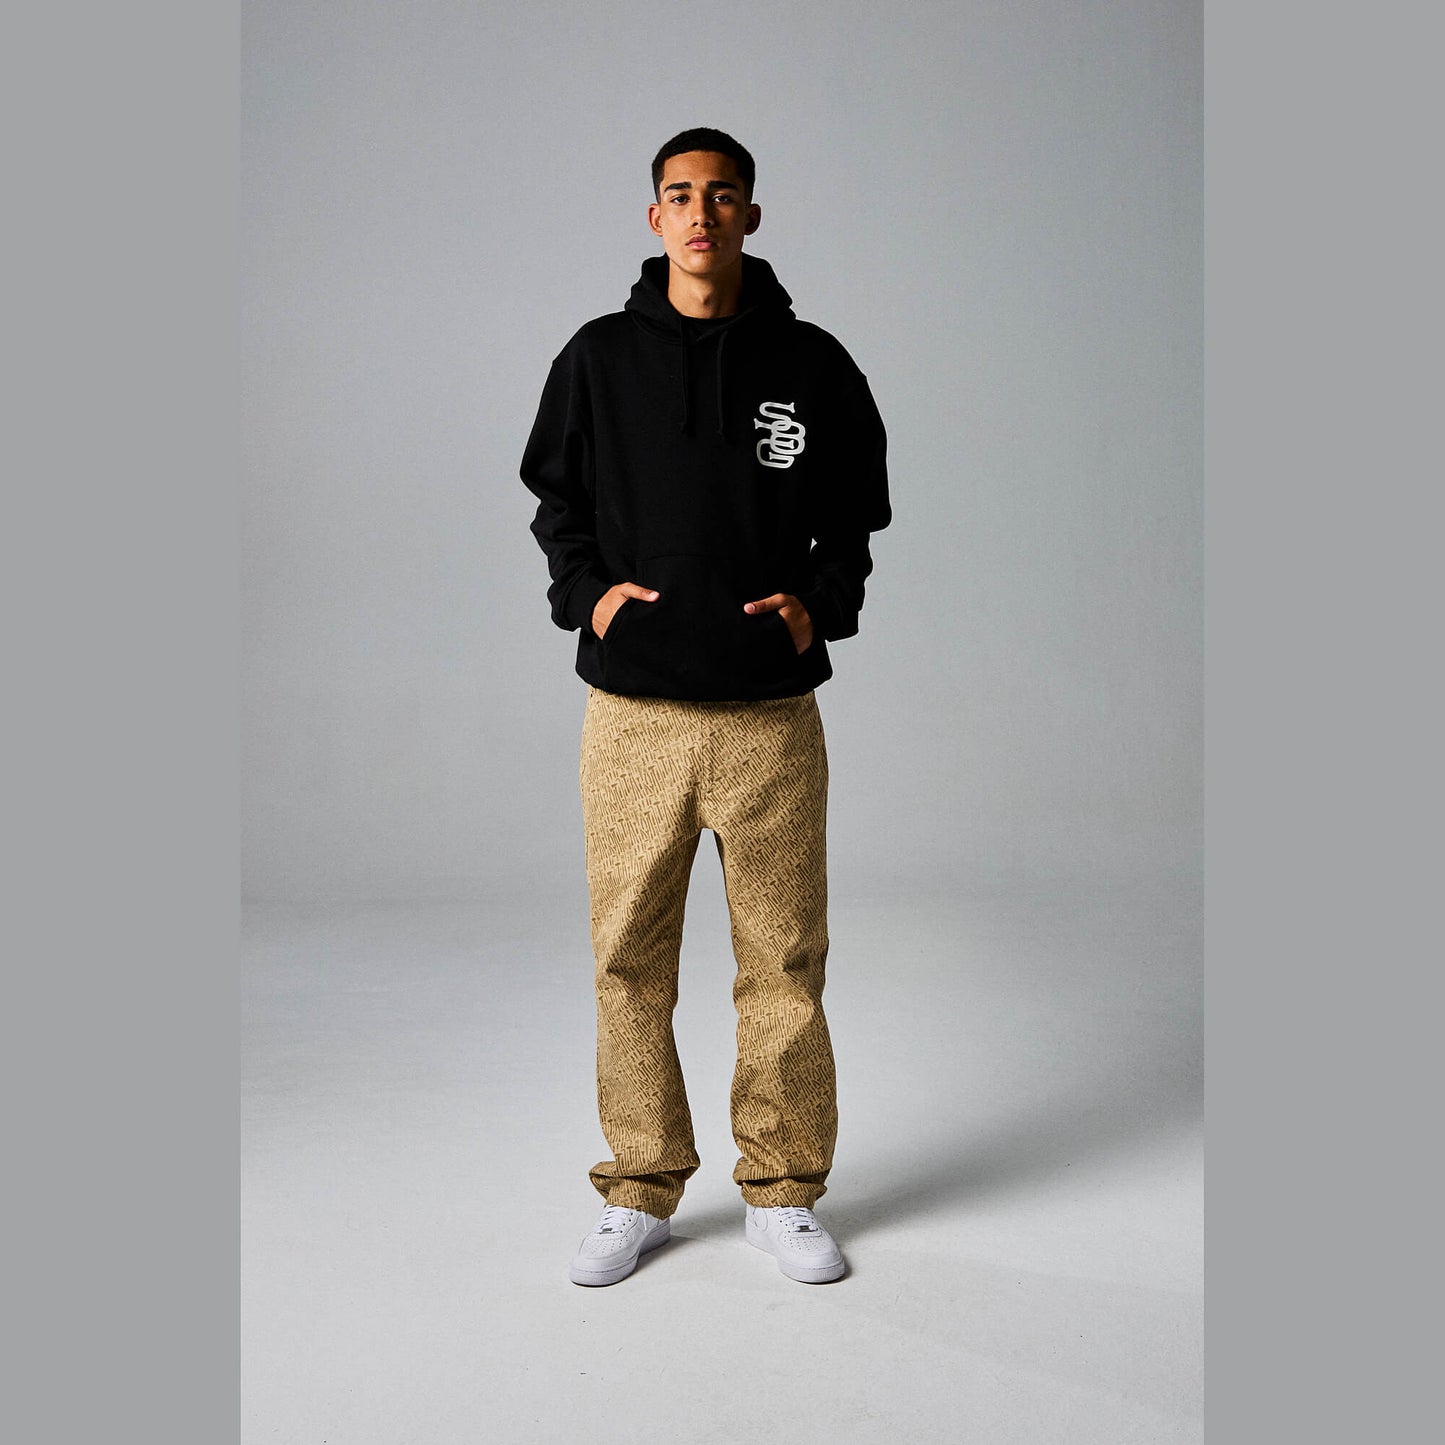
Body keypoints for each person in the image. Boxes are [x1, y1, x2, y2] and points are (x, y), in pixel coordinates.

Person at [520, 127, 891, 1286]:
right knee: (628, 960)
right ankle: (638, 1184)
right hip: (632, 715)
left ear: (750, 215)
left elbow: (857, 514)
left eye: (721, 195)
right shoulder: (596, 357)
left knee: (782, 958)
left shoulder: (812, 363)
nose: (700, 213)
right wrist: (587, 597)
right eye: (678, 195)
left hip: (769, 715)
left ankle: (782, 1190)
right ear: (653, 218)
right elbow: (553, 501)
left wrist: (817, 608)